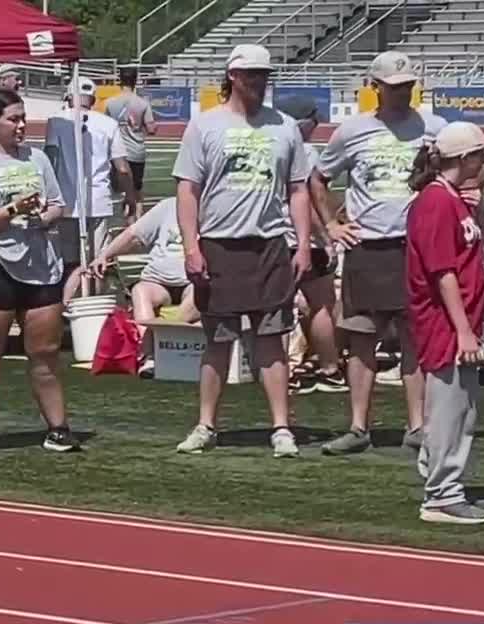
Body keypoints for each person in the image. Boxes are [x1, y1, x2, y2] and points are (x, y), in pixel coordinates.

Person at [171, 44, 313, 457]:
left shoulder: (284, 127)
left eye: (264, 75)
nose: (258, 82)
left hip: (269, 245)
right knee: (218, 340)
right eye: (251, 74)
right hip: (218, 245)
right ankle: (206, 425)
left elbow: (298, 189)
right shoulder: (205, 126)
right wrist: (191, 245)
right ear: (232, 75)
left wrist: (302, 244)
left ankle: (281, 427)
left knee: (272, 339)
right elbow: (187, 190)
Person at [310, 51, 445, 455]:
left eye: (408, 86)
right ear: (375, 88)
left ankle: (418, 426)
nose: (403, 93)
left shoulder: (434, 128)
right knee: (361, 340)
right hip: (367, 248)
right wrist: (332, 226)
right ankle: (358, 427)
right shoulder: (352, 131)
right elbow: (318, 178)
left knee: (414, 341)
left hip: (415, 249)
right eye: (395, 87)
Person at [0, 88, 74, 458]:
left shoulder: (37, 159)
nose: (22, 126)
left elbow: (58, 205)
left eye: (23, 118)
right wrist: (12, 210)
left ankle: (58, 428)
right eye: (13, 119)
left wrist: (45, 216)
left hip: (41, 265)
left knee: (46, 351)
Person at [405, 122, 484, 524]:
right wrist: (462, 330)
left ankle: (440, 478)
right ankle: (442, 493)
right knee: (450, 411)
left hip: (458, 322)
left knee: (460, 410)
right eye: (481, 155)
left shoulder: (454, 200)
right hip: (445, 324)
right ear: (465, 159)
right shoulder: (436, 202)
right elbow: (443, 271)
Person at [81, 197, 197, 377]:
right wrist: (105, 255)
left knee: (199, 294)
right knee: (140, 290)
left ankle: (162, 342)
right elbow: (132, 235)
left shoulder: (214, 209)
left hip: (193, 281)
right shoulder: (168, 206)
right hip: (158, 280)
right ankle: (149, 355)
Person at [277, 95, 344, 395]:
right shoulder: (306, 152)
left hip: (272, 236)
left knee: (277, 308)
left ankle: (282, 369)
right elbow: (309, 202)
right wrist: (325, 238)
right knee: (321, 306)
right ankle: (329, 367)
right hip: (303, 238)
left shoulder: (271, 144)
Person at [45, 77, 139, 283]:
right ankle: (97, 301)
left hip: (67, 200)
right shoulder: (108, 124)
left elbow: (51, 160)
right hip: (99, 199)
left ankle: (70, 303)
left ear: (69, 96)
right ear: (93, 99)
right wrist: (130, 197)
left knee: (69, 261)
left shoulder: (56, 121)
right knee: (100, 259)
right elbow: (122, 168)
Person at [104, 66, 158, 198]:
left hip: (117, 153)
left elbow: (106, 128)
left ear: (120, 80)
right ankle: (135, 218)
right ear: (135, 81)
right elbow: (151, 130)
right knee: (136, 191)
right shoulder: (143, 103)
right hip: (136, 152)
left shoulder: (110, 103)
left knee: (118, 191)